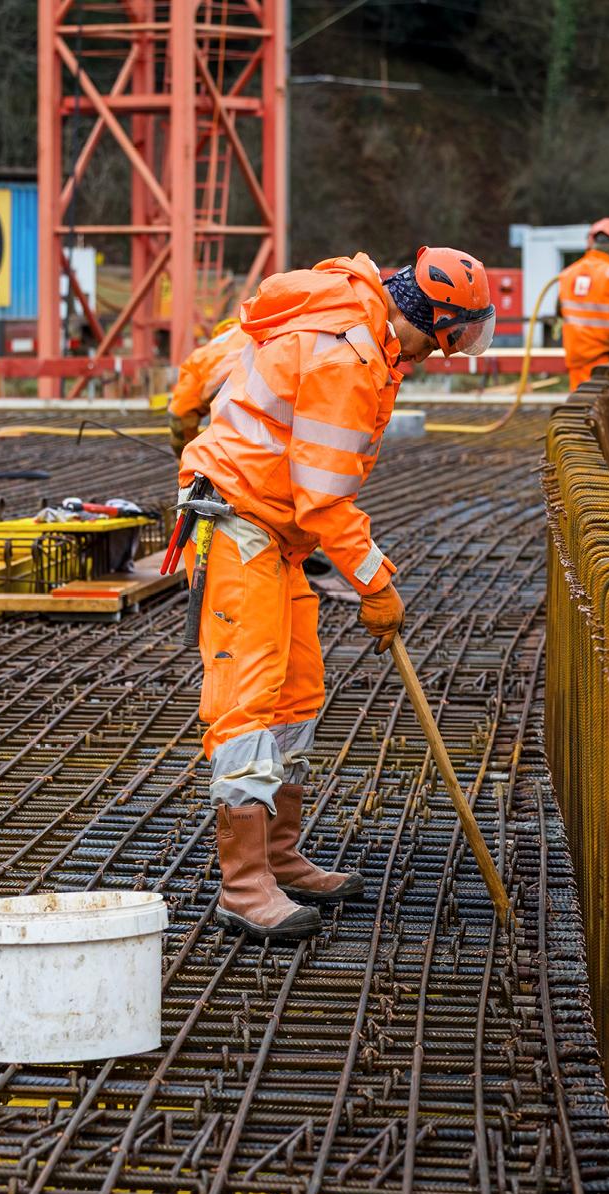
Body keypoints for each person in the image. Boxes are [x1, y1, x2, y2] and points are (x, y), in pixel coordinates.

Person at [178, 246, 495, 940]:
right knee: (249, 704)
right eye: (464, 333)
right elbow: (324, 498)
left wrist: (184, 410)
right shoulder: (348, 355)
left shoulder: (353, 316)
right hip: (241, 523)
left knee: (297, 692)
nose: (459, 348)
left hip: (278, 531)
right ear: (439, 324)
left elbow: (217, 366)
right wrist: (376, 585)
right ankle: (243, 885)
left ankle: (281, 856)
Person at [557, 217, 609, 390]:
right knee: (602, 409)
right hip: (604, 358)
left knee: (578, 408)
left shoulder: (568, 273)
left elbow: (560, 310)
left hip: (575, 356)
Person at [166, 317, 248, 460]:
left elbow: (180, 414)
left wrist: (187, 458)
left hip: (231, 418)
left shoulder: (199, 357)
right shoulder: (257, 331)